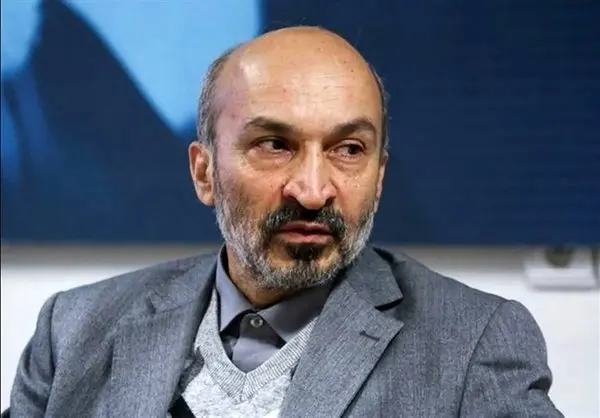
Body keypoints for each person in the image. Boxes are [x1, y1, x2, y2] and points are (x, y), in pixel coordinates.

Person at [6, 26, 563, 417]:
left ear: (380, 176)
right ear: (204, 172)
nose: (314, 191)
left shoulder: (472, 345)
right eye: (275, 144)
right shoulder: (73, 331)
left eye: (348, 149)